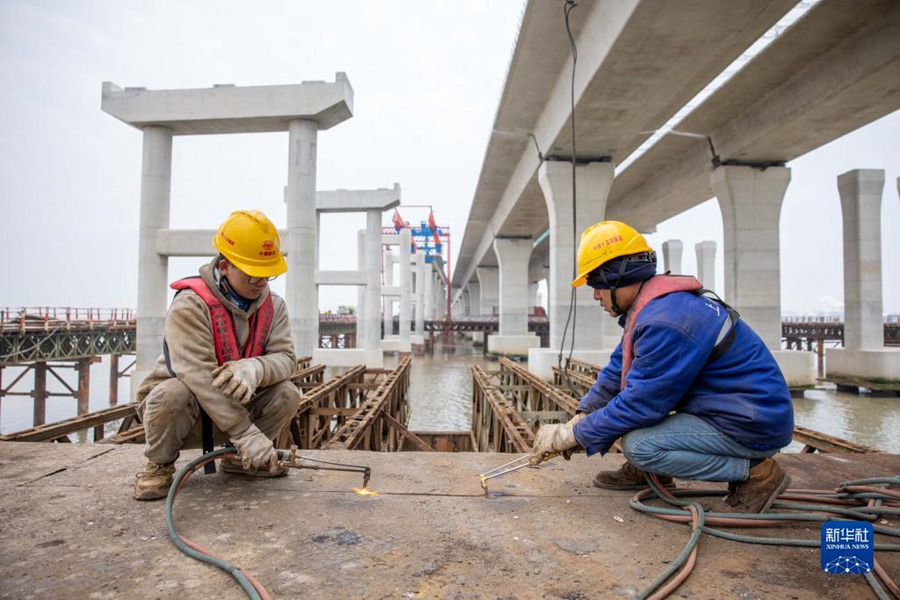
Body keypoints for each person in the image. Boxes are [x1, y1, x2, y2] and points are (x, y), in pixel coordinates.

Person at [529, 220, 794, 513]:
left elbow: (641, 405)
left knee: (640, 446)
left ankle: (757, 472)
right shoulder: (654, 308)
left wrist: (573, 436)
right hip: (735, 410)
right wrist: (583, 415)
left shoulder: (665, 321)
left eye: (596, 285)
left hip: (750, 424)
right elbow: (619, 367)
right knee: (631, 425)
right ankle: (650, 472)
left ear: (617, 277)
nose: (595, 296)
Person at [133, 209, 302, 501]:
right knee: (173, 393)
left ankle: (239, 460)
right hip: (187, 415)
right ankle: (158, 465)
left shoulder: (274, 306)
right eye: (253, 274)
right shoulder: (191, 305)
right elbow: (198, 376)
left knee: (287, 393)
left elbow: (286, 358)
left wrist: (256, 369)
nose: (261, 282)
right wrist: (246, 433)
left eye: (267, 273)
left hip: (238, 406)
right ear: (225, 266)